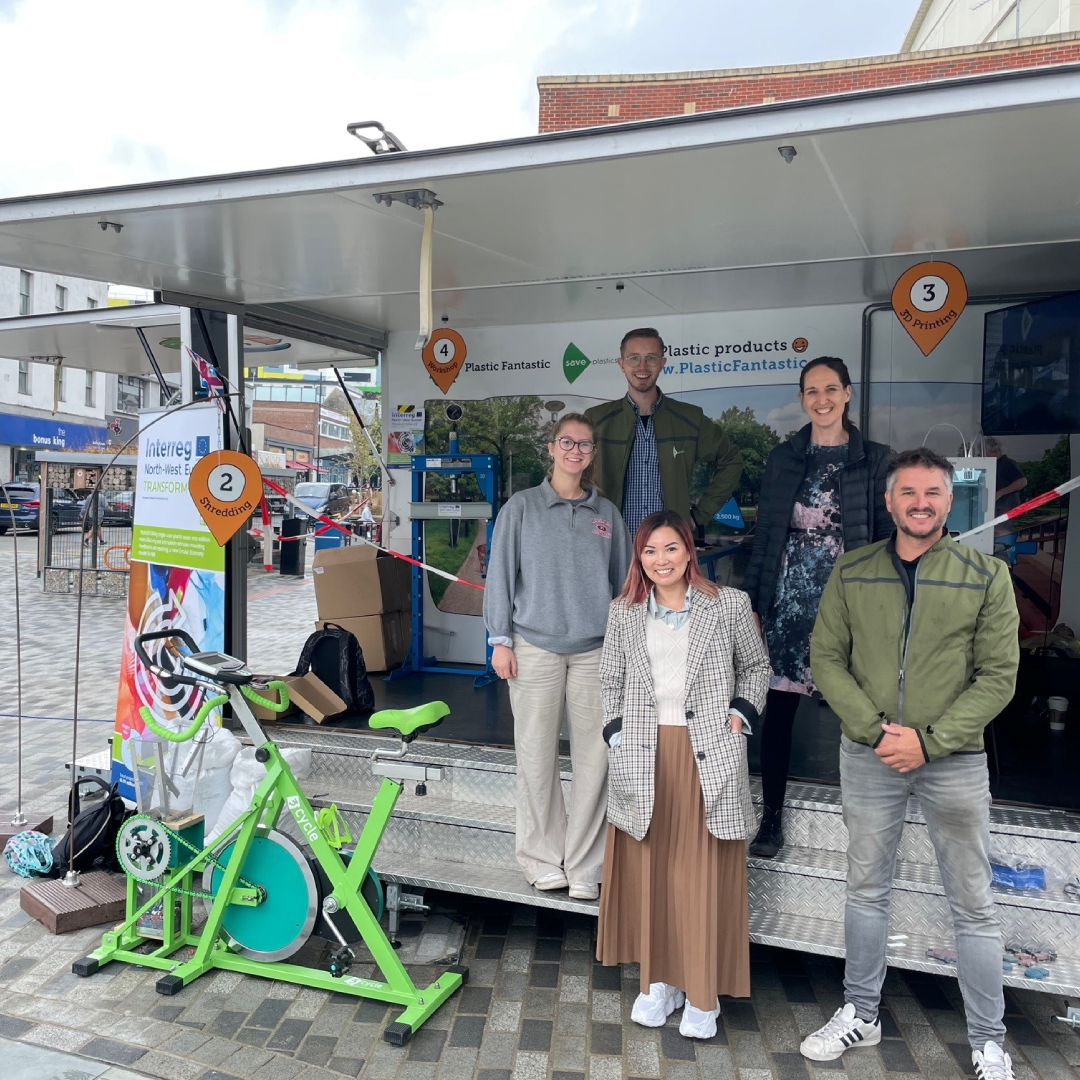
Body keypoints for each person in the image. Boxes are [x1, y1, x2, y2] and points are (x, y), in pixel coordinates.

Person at [805, 446, 1020, 1080]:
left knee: (973, 904)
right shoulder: (851, 570)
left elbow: (999, 677)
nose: (920, 503)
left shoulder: (986, 576)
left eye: (932, 493)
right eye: (908, 493)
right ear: (889, 499)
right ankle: (861, 1014)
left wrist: (928, 741)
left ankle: (988, 1041)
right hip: (870, 755)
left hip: (952, 760)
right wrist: (876, 733)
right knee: (866, 891)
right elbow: (826, 658)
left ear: (950, 502)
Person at [596, 509, 770, 1040]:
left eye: (670, 548)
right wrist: (615, 733)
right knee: (652, 873)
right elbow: (609, 678)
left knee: (699, 875)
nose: (660, 560)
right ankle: (659, 982)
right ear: (639, 559)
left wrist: (741, 715)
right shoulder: (624, 611)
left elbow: (757, 667)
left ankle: (702, 993)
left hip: (708, 752)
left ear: (689, 551)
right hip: (645, 753)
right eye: (649, 551)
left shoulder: (728, 605)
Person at [742, 356, 893, 858]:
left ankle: (869, 827)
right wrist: (756, 605)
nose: (822, 399)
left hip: (847, 604)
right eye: (811, 391)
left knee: (859, 714)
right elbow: (765, 536)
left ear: (848, 393)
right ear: (803, 398)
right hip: (789, 600)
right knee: (778, 715)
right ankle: (771, 818)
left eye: (831, 389)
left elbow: (885, 539)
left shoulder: (876, 459)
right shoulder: (784, 458)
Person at [484, 413, 632, 901]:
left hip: (595, 652)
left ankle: (588, 865)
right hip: (533, 648)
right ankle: (542, 859)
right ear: (550, 448)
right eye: (566, 442)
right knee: (536, 757)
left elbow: (623, 587)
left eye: (584, 445)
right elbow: (501, 576)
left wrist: (625, 650)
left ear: (592, 454)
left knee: (597, 759)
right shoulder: (521, 508)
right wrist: (499, 640)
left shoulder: (607, 515)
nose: (575, 451)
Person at [585, 328, 743, 538]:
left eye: (651, 358)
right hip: (611, 545)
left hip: (669, 548)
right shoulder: (596, 420)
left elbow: (731, 460)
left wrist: (698, 516)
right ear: (621, 364)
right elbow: (571, 473)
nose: (642, 366)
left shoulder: (689, 418)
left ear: (662, 363)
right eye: (634, 358)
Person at [983, 437, 1028, 516]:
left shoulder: (1007, 463)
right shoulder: (993, 464)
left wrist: (999, 493)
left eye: (982, 451)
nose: (981, 455)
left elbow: (1022, 481)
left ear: (990, 450)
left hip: (1007, 508)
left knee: (1002, 528)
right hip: (997, 508)